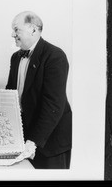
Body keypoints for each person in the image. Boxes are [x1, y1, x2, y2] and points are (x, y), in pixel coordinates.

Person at [6, 11, 72, 169]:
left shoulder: (55, 56)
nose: (12, 34)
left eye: (16, 29)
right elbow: (10, 95)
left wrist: (33, 142)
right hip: (24, 138)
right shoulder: (16, 58)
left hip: (51, 142)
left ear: (33, 30)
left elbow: (53, 105)